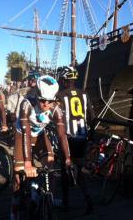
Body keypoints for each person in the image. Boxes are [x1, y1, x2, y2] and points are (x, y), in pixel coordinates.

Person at [11, 75, 71, 220]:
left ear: (54, 99)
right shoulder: (26, 104)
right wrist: (27, 163)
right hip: (22, 135)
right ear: (37, 95)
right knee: (19, 176)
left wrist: (68, 159)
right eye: (42, 99)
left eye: (49, 101)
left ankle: (48, 195)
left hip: (39, 135)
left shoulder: (56, 109)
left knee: (50, 164)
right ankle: (13, 208)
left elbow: (62, 136)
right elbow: (25, 133)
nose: (45, 104)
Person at [56, 66, 95, 214]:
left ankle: (66, 203)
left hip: (67, 137)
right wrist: (91, 136)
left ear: (64, 80)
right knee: (79, 169)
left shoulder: (60, 95)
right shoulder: (84, 94)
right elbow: (92, 116)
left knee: (64, 168)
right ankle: (88, 201)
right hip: (82, 137)